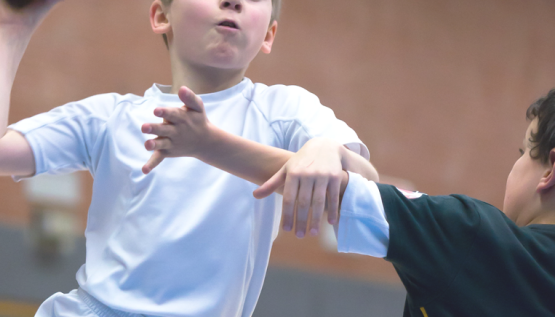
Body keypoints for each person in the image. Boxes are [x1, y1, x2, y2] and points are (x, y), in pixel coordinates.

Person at [0, 0, 378, 317]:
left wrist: (325, 149)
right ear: (162, 16)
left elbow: (367, 184)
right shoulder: (110, 117)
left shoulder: (284, 108)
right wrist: (11, 30)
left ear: (267, 34)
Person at [148, 87, 555, 316]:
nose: (515, 166)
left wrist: (205, 141)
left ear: (549, 170)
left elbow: (336, 187)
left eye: (522, 154)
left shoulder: (476, 240)